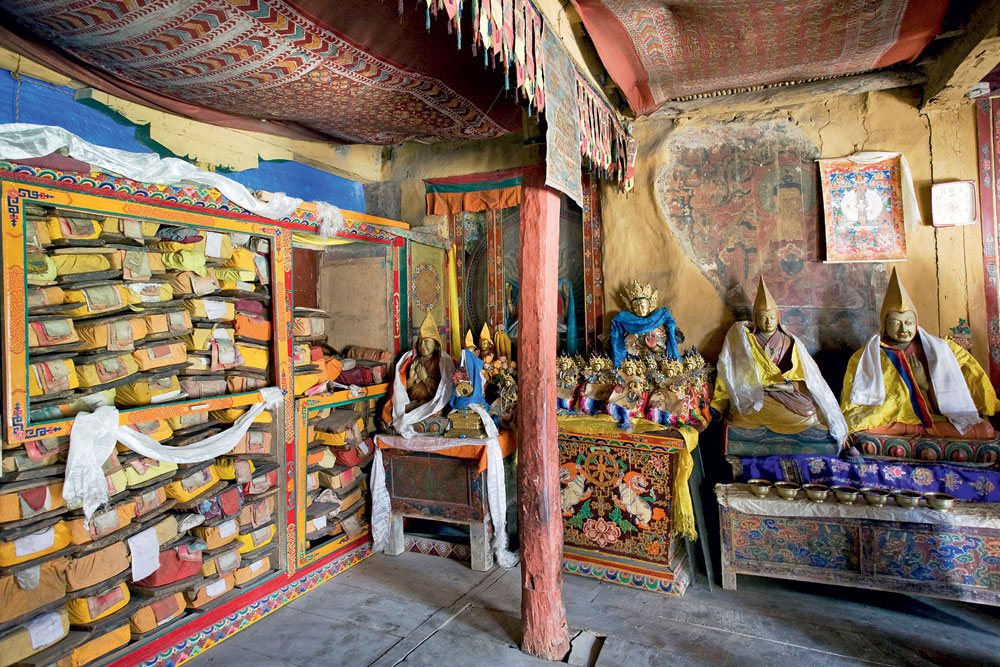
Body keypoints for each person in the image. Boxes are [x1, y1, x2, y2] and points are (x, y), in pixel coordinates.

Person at [841, 268, 997, 438]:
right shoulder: (868, 356)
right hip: (894, 421)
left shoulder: (943, 349)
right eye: (895, 323)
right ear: (885, 325)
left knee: (985, 430)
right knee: (864, 427)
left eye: (909, 322)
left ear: (916, 323)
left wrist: (924, 385)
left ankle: (917, 431)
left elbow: (961, 401)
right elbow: (856, 405)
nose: (903, 329)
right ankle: (916, 431)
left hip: (937, 419)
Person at [713, 278, 847, 442]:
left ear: (778, 318)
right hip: (757, 392)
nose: (768, 322)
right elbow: (736, 373)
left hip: (784, 390)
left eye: (772, 317)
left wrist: (788, 386)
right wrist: (758, 386)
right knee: (745, 410)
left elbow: (801, 376)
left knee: (809, 409)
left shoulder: (790, 342)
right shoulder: (745, 341)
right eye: (763, 318)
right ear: (756, 319)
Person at [608, 280, 680, 366]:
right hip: (634, 362)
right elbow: (624, 347)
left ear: (650, 306)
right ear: (631, 309)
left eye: (643, 306)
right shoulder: (628, 324)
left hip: (655, 362)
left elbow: (662, 350)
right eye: (635, 307)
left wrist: (653, 346)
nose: (640, 310)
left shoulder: (657, 323)